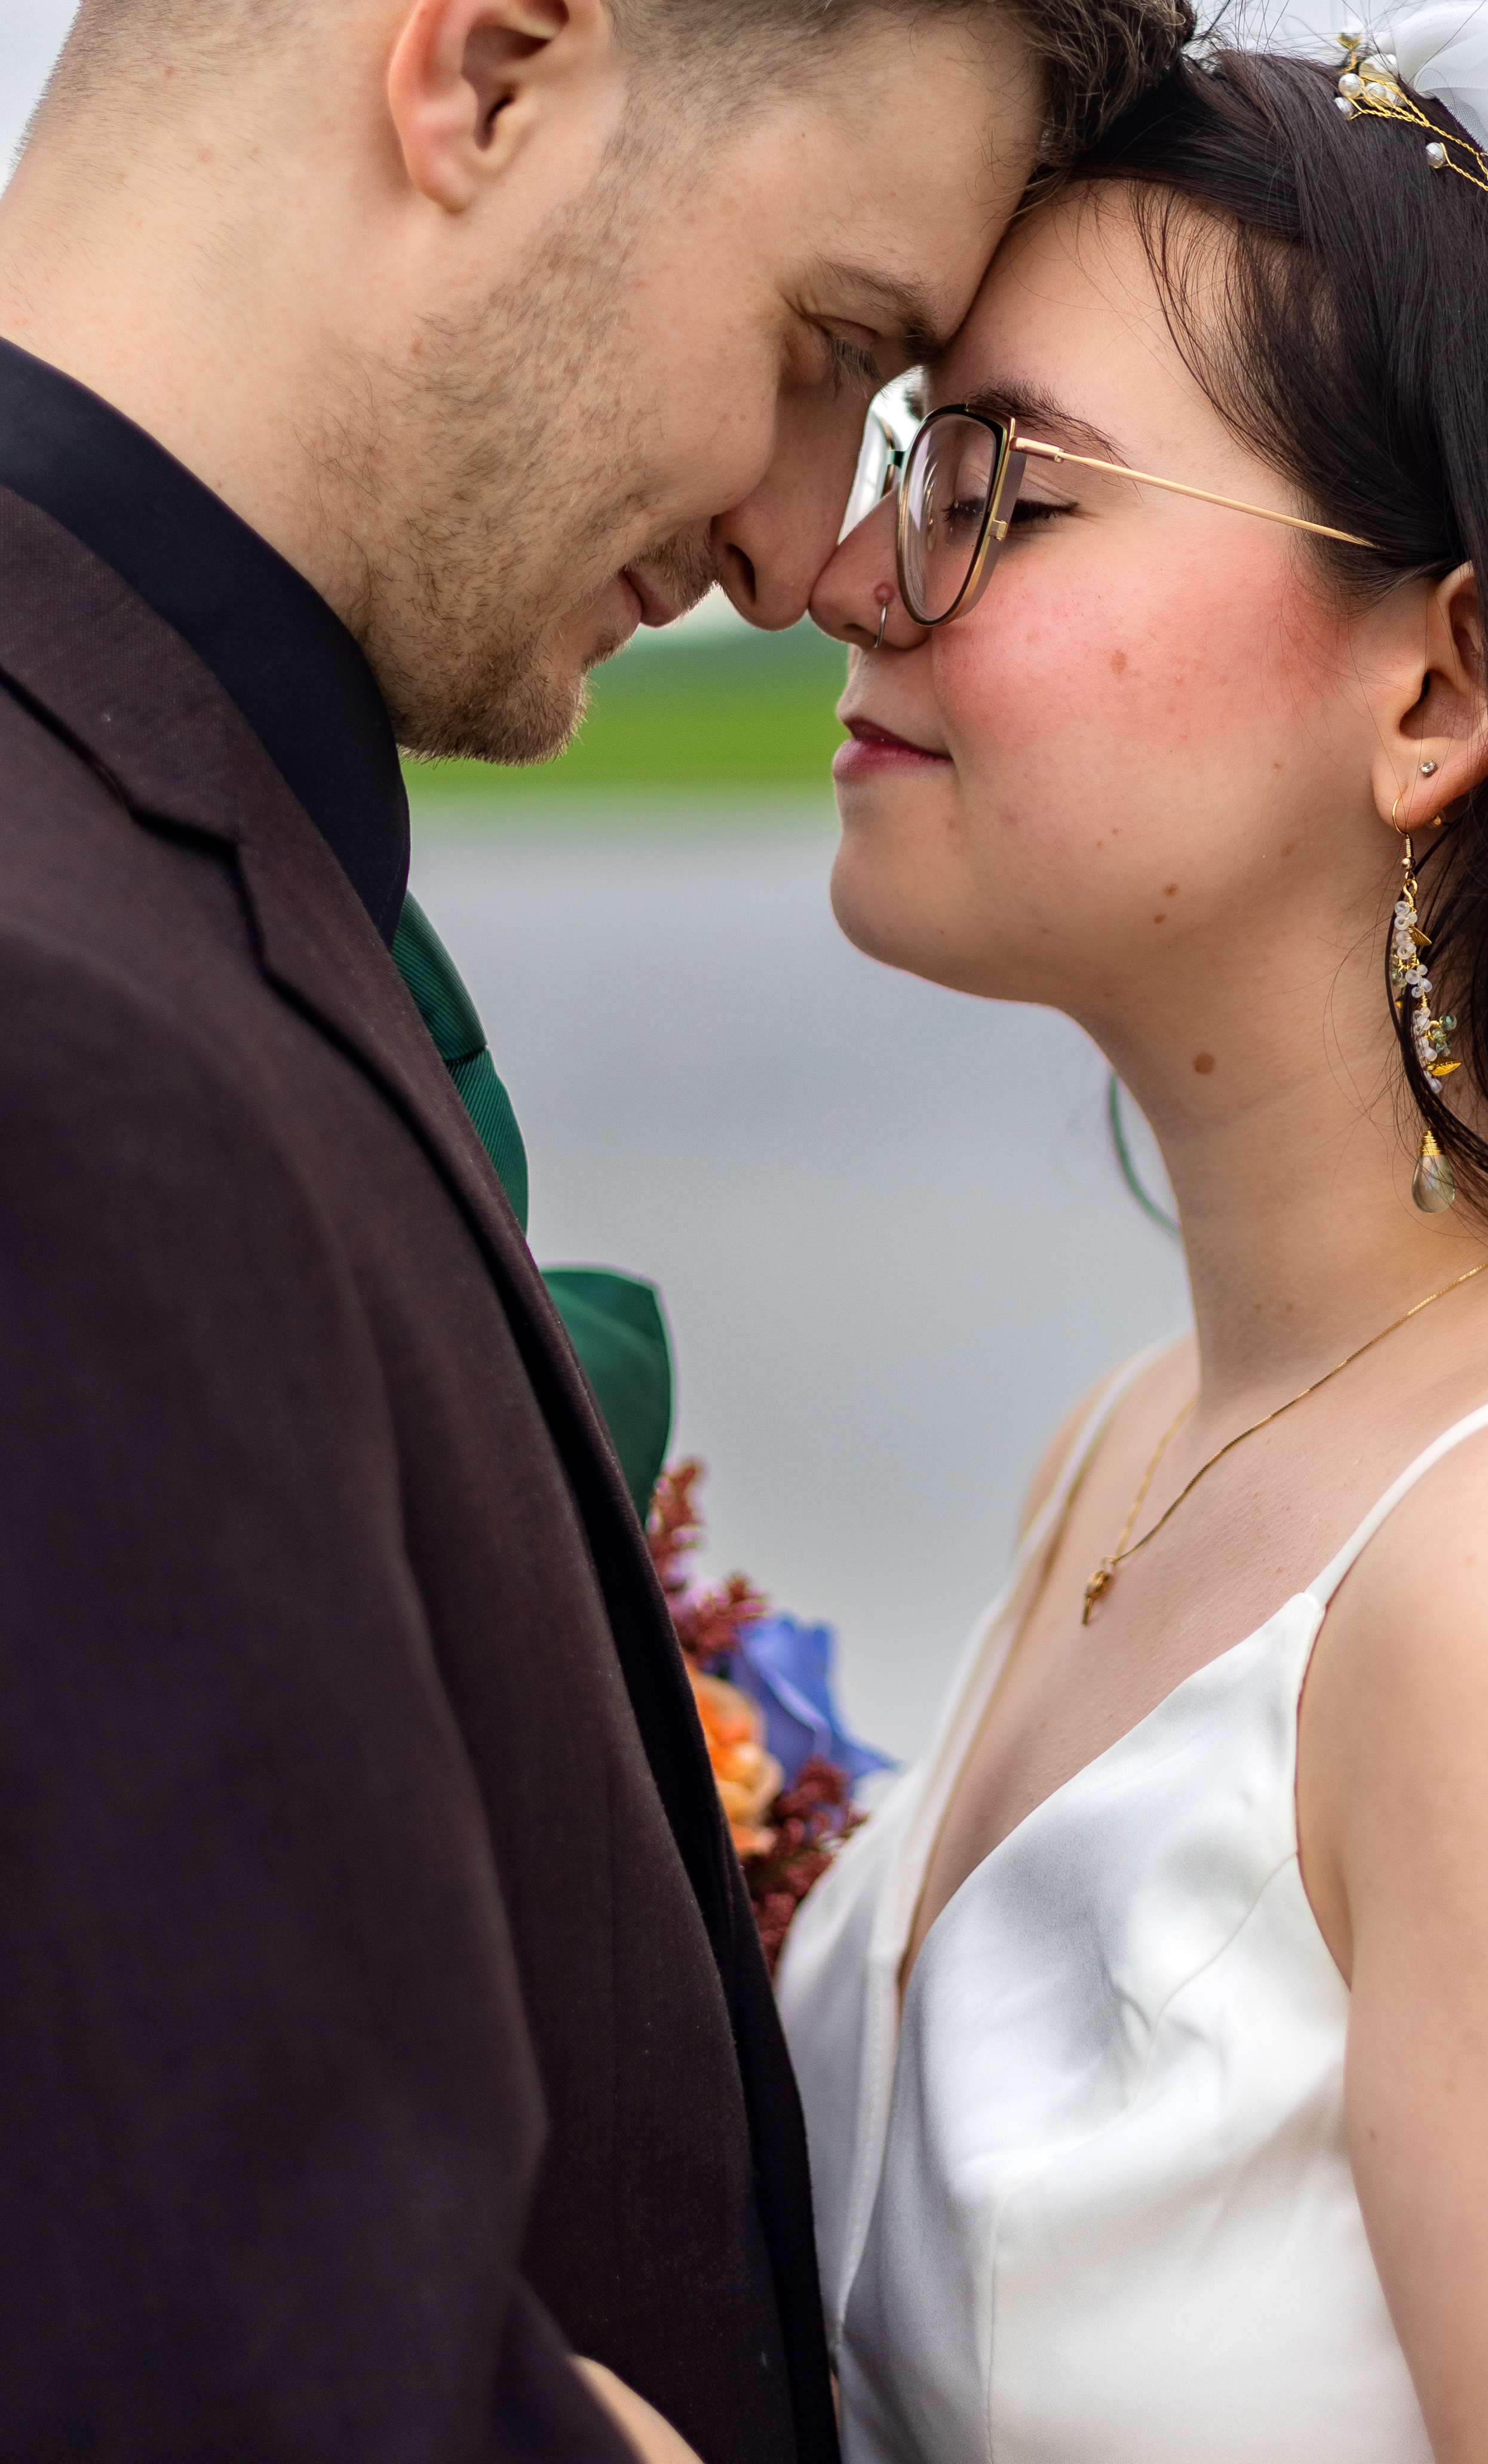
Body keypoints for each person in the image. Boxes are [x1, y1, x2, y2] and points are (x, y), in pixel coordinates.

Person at [0, 0, 1195, 2455]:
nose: (795, 549)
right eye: (825, 345)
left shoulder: (144, 870)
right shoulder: (64, 1035)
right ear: (490, 67)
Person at [783, 8, 1488, 2460]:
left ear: (1434, 681)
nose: (850, 577)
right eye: (891, 467)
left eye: (1003, 492)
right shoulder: (1132, 1440)